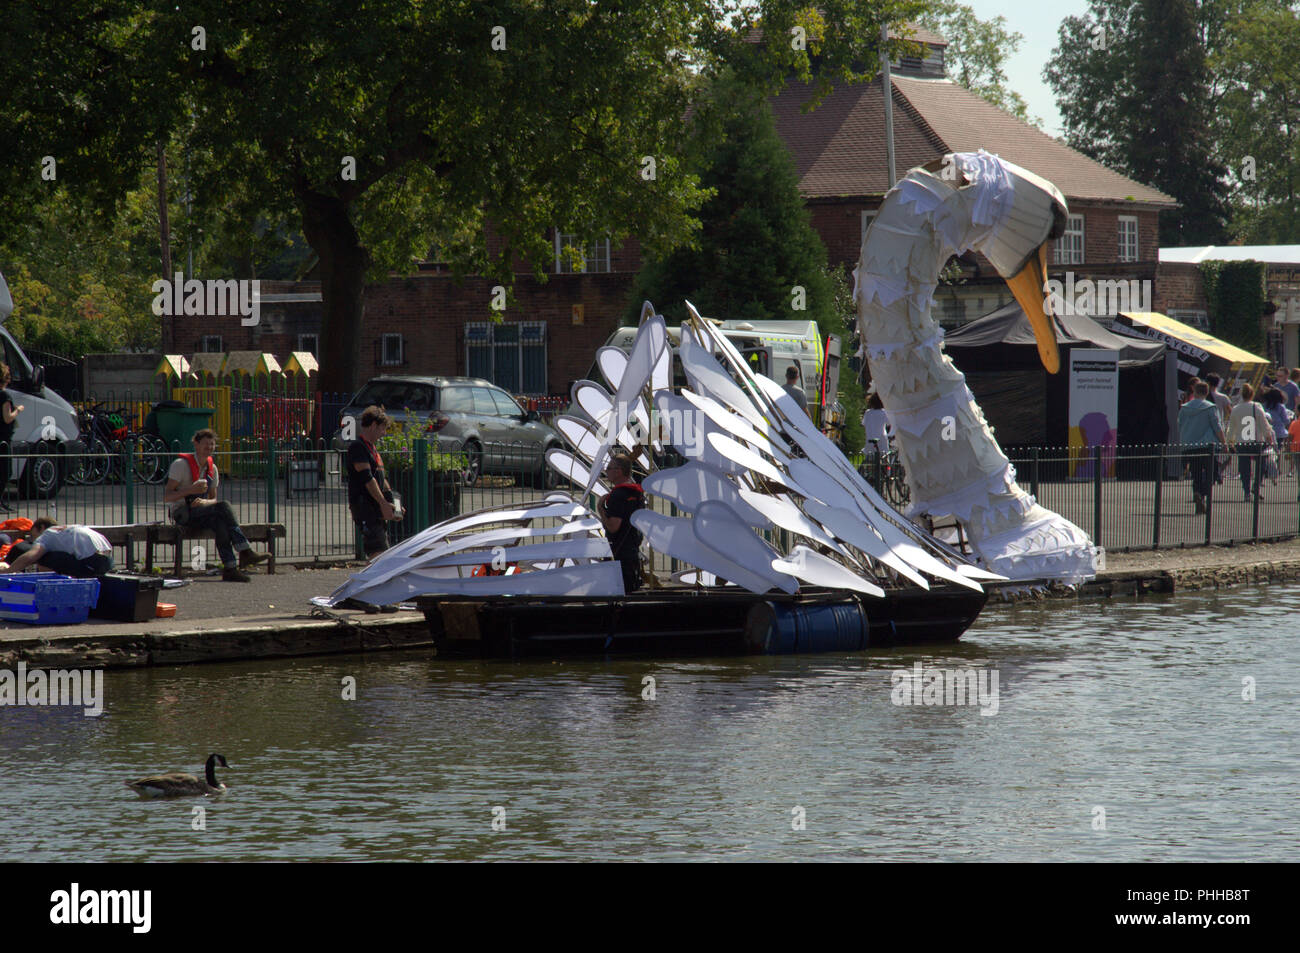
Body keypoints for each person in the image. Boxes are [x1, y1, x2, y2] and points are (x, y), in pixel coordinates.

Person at [163, 429, 269, 582]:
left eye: (212, 444)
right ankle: (245, 551)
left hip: (202, 511)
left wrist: (205, 502)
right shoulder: (180, 465)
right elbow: (167, 496)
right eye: (206, 444)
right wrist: (190, 490)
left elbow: (213, 499)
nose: (209, 447)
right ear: (196, 444)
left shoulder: (212, 469)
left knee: (221, 523)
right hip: (182, 513)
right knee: (224, 506)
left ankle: (230, 568)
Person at [347, 406, 398, 559]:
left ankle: (373, 581)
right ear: (374, 425)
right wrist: (383, 503)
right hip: (364, 507)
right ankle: (371, 582)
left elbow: (382, 479)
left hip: (375, 508)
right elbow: (368, 479)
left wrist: (393, 505)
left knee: (381, 553)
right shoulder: (358, 447)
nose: (384, 433)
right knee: (378, 554)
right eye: (382, 428)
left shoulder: (372, 449)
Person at [1, 518, 114, 577]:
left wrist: (9, 571)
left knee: (43, 558)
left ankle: (46, 588)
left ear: (41, 527)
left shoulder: (46, 535)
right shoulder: (64, 530)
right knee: (57, 556)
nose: (33, 539)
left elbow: (31, 556)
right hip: (107, 561)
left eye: (32, 533)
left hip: (91, 563)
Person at [597, 453, 645, 593]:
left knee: (617, 595)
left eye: (609, 468)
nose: (606, 471)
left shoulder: (618, 495)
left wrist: (600, 508)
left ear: (618, 471)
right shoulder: (637, 493)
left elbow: (613, 527)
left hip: (619, 555)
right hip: (633, 550)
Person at [1177, 381, 1225, 514]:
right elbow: (1217, 427)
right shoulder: (1210, 407)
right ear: (1207, 392)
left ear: (1194, 391)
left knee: (1196, 473)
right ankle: (1203, 493)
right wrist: (1224, 443)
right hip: (1207, 446)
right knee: (1212, 473)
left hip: (1190, 446)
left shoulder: (1184, 408)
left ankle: (1198, 494)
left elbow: (1180, 426)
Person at [1227, 383, 1274, 502]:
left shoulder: (1236, 409)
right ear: (1252, 394)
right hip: (1256, 441)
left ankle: (1246, 491)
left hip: (1241, 442)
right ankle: (1256, 486)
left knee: (1244, 468)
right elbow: (1264, 425)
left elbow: (1231, 427)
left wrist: (1230, 442)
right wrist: (1269, 436)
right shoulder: (1257, 407)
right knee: (1261, 465)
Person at [0, 365, 23, 513]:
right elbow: (7, 418)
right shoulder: (4, 396)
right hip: (3, 438)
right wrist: (18, 410)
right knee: (5, 472)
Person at [861, 391, 891, 458]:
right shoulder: (884, 412)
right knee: (884, 458)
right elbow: (889, 424)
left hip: (869, 440)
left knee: (870, 459)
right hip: (881, 440)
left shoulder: (867, 413)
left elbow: (864, 424)